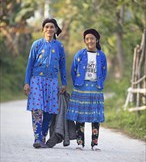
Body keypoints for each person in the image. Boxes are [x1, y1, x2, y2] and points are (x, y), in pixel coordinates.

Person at [24, 18, 67, 148]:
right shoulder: (36, 44)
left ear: (55, 29)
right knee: (37, 110)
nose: (49, 29)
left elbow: (62, 66)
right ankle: (37, 138)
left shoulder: (59, 46)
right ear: (43, 29)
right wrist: (27, 83)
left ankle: (42, 136)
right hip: (36, 80)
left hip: (52, 82)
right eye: (47, 27)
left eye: (52, 27)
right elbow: (29, 65)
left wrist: (64, 83)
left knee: (49, 111)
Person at [65, 28, 107, 150]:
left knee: (95, 117)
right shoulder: (80, 54)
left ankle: (94, 144)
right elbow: (73, 70)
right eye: (87, 39)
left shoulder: (101, 55)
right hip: (80, 88)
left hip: (95, 88)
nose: (89, 41)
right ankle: (80, 143)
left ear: (96, 40)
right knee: (80, 116)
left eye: (92, 38)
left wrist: (98, 83)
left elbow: (104, 71)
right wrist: (78, 83)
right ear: (84, 40)